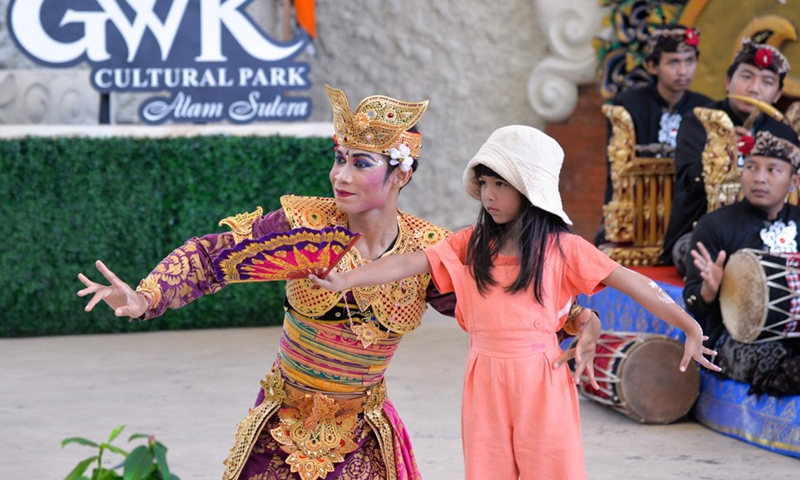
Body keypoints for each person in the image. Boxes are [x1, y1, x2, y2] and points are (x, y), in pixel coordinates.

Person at [76, 86, 601, 480]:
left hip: (363, 431)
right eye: (338, 158)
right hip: (282, 420)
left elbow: (499, 305)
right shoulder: (303, 227)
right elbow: (213, 258)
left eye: (360, 163)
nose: (340, 175)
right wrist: (144, 296)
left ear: (401, 174)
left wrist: (578, 318)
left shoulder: (431, 250)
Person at [310, 125, 720, 480]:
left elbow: (632, 282)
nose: (488, 194)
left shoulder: (564, 248)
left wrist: (688, 324)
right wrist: (344, 278)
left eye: (501, 184)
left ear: (529, 189)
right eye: (484, 183)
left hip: (540, 378)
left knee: (550, 468)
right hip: (483, 377)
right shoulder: (469, 244)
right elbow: (405, 264)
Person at [661, 38, 798, 270]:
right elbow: (688, 180)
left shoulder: (782, 131)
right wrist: (721, 151)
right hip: (701, 232)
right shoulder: (699, 121)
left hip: (770, 234)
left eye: (767, 82)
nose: (754, 88)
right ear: (728, 81)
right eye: (746, 76)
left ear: (777, 94)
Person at [687, 130, 800, 396]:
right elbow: (692, 299)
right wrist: (709, 291)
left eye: (772, 170)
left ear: (794, 179)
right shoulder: (715, 225)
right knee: (784, 367)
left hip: (795, 332)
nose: (759, 177)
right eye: (751, 167)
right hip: (733, 339)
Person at [597, 25, 711, 244]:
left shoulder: (705, 109)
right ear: (653, 66)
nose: (683, 71)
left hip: (687, 216)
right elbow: (618, 172)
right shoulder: (627, 106)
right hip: (636, 207)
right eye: (673, 62)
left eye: (689, 61)